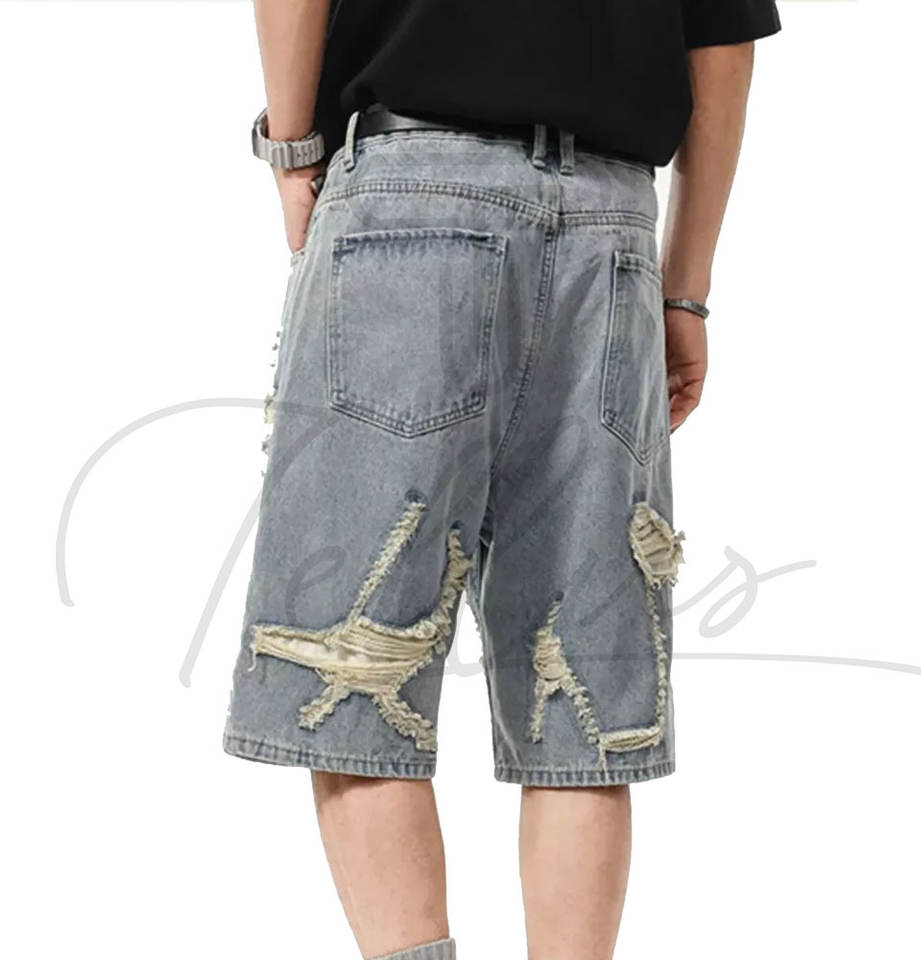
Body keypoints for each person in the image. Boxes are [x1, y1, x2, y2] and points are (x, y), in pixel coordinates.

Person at [224, 2, 781, 958]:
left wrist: (292, 151)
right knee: (580, 701)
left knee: (357, 671)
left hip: (411, 192)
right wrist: (684, 289)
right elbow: (722, 46)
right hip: (611, 227)